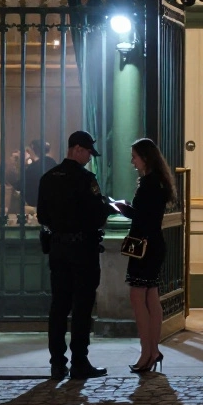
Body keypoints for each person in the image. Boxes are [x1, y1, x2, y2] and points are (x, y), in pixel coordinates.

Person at [36, 130, 110, 381]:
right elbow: (98, 216)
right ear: (78, 149)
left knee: (59, 307)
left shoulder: (48, 178)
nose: (90, 157)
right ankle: (80, 361)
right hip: (83, 249)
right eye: (89, 152)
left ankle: (57, 363)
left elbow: (42, 216)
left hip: (58, 248)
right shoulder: (86, 178)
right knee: (82, 307)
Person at [114, 138, 176, 373]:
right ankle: (153, 350)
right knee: (151, 296)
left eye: (135, 156)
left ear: (145, 158)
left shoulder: (149, 184)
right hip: (152, 244)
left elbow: (144, 217)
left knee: (138, 297)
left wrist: (123, 209)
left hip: (144, 246)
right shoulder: (158, 182)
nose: (132, 161)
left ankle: (146, 352)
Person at [23, 139, 56, 207]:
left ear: (32, 151)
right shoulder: (53, 164)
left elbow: (22, 186)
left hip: (35, 205)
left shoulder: (32, 168)